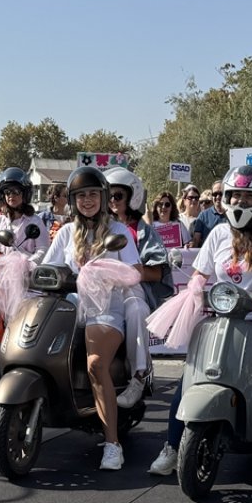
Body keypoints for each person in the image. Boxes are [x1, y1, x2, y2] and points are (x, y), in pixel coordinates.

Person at [147, 165, 252, 489]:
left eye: (248, 195)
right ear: (225, 198)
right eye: (235, 194)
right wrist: (197, 287)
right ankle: (171, 447)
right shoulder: (218, 233)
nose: (240, 201)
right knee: (188, 380)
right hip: (223, 318)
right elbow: (200, 274)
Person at [41, 166, 141, 470]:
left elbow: (135, 272)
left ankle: (112, 443)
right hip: (71, 306)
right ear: (72, 200)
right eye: (81, 195)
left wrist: (105, 274)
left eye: (93, 194)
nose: (87, 200)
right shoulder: (67, 232)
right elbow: (48, 269)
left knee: (96, 364)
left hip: (106, 309)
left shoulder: (119, 232)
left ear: (104, 197)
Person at [104, 167, 169, 408]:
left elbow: (158, 271)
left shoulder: (144, 232)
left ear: (133, 197)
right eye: (108, 195)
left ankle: (139, 376)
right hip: (98, 289)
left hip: (131, 289)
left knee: (136, 310)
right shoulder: (98, 226)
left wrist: (128, 272)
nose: (112, 201)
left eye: (118, 196)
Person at [0, 168, 48, 254]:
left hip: (26, 267)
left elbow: (43, 250)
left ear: (25, 194)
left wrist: (28, 262)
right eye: (7, 192)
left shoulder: (35, 222)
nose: (11, 195)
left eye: (16, 191)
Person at [189, 180, 226, 247]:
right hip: (208, 255)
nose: (218, 197)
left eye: (221, 194)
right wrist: (190, 247)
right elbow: (196, 240)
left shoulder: (232, 215)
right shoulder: (203, 216)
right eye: (215, 194)